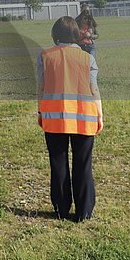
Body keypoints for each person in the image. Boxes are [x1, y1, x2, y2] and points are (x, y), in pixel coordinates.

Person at [37, 16, 103, 221]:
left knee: (58, 163)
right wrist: (100, 114)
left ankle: (60, 209)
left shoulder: (45, 56)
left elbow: (41, 87)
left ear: (55, 35)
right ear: (76, 34)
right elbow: (94, 89)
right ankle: (84, 211)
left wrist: (40, 112)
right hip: (84, 118)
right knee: (83, 164)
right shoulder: (87, 58)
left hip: (54, 118)